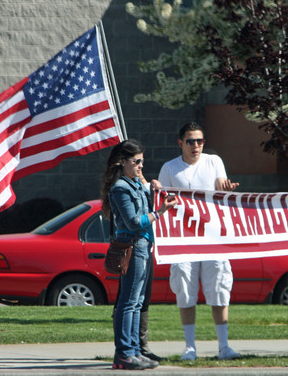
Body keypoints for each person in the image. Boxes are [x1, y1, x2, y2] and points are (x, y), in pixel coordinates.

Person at [158, 122, 241, 361]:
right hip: (183, 240)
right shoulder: (170, 168)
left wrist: (227, 188)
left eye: (200, 141)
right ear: (180, 143)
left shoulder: (214, 161)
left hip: (214, 238)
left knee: (219, 289)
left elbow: (220, 190)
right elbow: (163, 203)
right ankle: (190, 348)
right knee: (185, 289)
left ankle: (224, 347)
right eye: (191, 141)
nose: (196, 146)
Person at [101, 139, 177, 370]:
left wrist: (147, 183)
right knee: (128, 302)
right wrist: (160, 212)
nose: (141, 166)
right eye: (136, 162)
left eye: (142, 161)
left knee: (137, 302)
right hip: (132, 246)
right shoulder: (120, 188)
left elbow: (146, 193)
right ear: (122, 162)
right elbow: (134, 222)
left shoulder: (134, 183)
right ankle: (124, 354)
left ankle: (133, 352)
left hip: (143, 246)